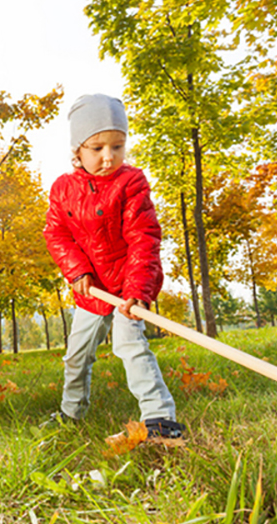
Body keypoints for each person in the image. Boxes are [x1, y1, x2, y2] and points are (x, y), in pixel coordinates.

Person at [43, 94, 185, 439]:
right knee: (76, 356)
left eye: (117, 146)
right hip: (91, 291)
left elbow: (143, 238)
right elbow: (56, 233)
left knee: (130, 346)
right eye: (97, 148)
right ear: (78, 150)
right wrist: (76, 271)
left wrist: (137, 291)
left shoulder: (131, 183)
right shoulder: (63, 189)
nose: (109, 157)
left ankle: (159, 419)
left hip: (125, 287)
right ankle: (70, 412)